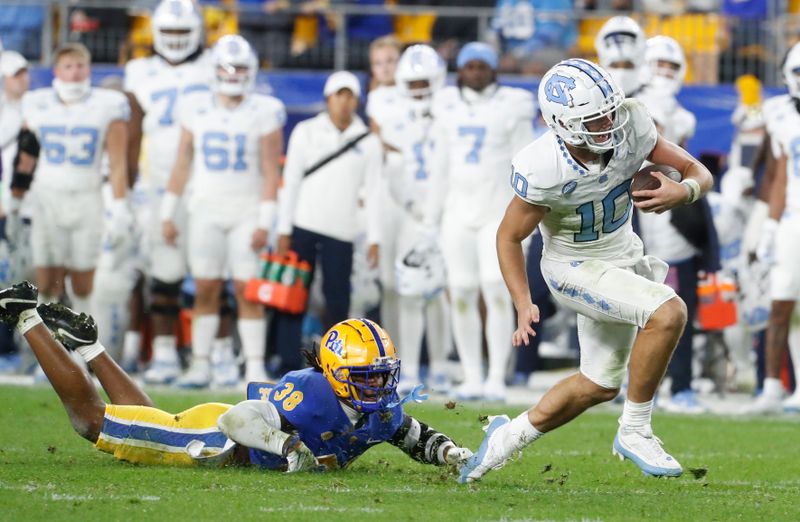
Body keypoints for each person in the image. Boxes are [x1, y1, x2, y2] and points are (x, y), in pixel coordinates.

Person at [458, 58, 713, 483]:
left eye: (610, 111)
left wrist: (684, 191)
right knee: (668, 313)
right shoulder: (543, 165)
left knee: (598, 384)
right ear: (562, 123)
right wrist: (522, 301)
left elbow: (696, 171)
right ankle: (635, 429)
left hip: (623, 255)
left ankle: (505, 439)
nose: (609, 124)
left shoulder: (632, 123)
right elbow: (507, 237)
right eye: (595, 120)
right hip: (572, 266)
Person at [0, 281, 473, 472]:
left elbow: (409, 432)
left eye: (381, 376)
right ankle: (26, 317)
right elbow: (237, 421)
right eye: (366, 377)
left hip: (216, 435)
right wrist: (289, 447)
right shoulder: (311, 393)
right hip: (214, 439)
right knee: (93, 423)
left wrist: (448, 452)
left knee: (152, 418)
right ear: (335, 373)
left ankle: (92, 350)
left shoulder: (380, 408)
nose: (379, 387)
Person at [161, 35, 285, 387]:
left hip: (246, 210)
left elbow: (270, 169)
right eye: (228, 67)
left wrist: (265, 220)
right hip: (205, 209)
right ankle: (201, 364)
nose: (233, 74)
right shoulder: (195, 106)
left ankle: (255, 367)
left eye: (241, 68)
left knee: (249, 290)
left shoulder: (264, 110)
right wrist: (168, 211)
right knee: (205, 288)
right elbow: (182, 162)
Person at [424, 42, 535, 401]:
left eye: (480, 65)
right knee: (461, 290)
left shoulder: (513, 104)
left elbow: (526, 162)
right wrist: (431, 219)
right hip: (457, 210)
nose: (474, 72)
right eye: (468, 66)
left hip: (497, 213)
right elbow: (439, 165)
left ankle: (496, 376)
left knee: (496, 288)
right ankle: (472, 374)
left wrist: (526, 219)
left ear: (493, 69)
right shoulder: (445, 104)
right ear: (459, 70)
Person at [124, 0, 213, 384]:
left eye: (182, 32)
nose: (175, 40)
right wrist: (128, 184)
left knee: (213, 271)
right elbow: (131, 131)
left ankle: (215, 356)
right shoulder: (139, 70)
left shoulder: (214, 65)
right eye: (169, 32)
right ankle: (162, 353)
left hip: (207, 183)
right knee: (163, 273)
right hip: (159, 183)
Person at [274, 71, 383, 374]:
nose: (345, 102)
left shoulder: (368, 141)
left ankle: (333, 365)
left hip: (342, 230)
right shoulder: (306, 132)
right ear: (328, 99)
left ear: (357, 101)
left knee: (338, 301)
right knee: (293, 297)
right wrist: (284, 228)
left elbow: (374, 191)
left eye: (350, 96)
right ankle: (286, 360)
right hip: (304, 224)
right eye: (340, 95)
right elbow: (291, 180)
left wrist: (375, 236)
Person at [17, 42, 129, 316]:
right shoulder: (36, 103)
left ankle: (82, 352)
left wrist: (120, 205)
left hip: (87, 198)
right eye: (69, 66)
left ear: (89, 69)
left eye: (80, 65)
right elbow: (27, 156)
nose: (75, 73)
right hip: (47, 198)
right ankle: (47, 353)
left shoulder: (108, 105)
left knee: (83, 283)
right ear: (57, 71)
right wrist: (15, 197)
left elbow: (117, 162)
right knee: (45, 280)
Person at [369, 44, 452, 393]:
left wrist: (434, 211)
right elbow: (390, 175)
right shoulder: (392, 117)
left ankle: (441, 365)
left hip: (445, 210)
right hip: (407, 213)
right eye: (413, 83)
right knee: (409, 291)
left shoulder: (452, 110)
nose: (419, 90)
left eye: (424, 83)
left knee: (441, 292)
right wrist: (415, 209)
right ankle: (412, 369)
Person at [748, 42, 800, 413]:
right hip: (793, 218)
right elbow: (780, 175)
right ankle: (770, 387)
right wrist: (769, 224)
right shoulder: (779, 113)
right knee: (780, 301)